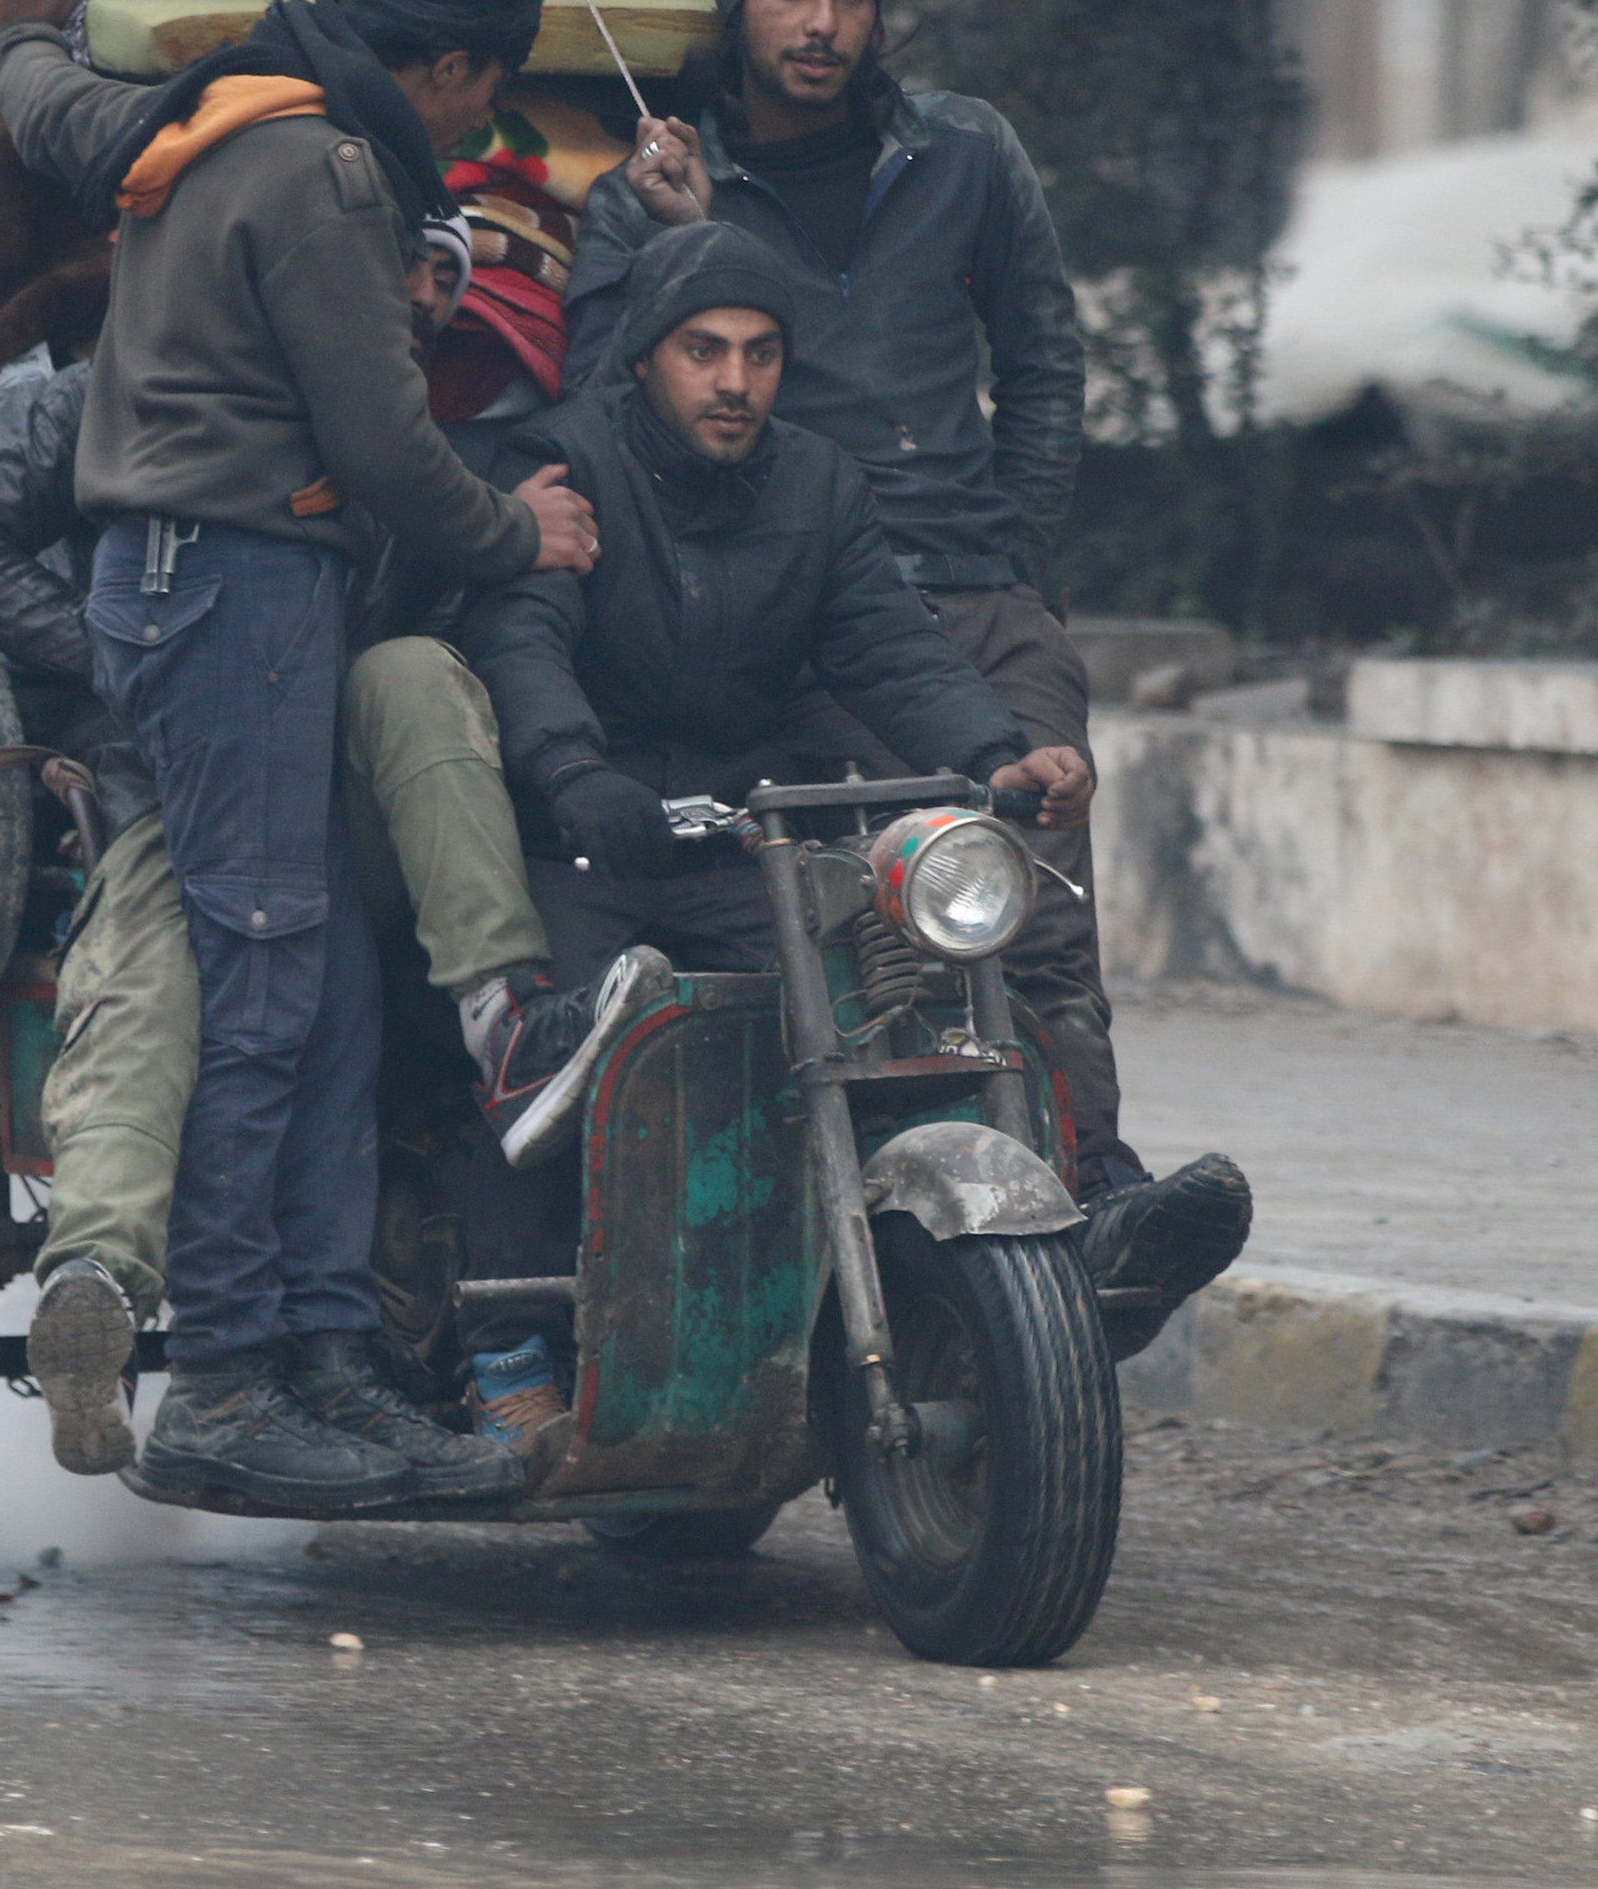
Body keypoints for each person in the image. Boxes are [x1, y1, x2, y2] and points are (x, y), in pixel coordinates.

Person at [562, 0, 1247, 1345]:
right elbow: (599, 404)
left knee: (1040, 905)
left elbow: (1047, 361)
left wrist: (1022, 563)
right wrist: (675, 237)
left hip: (979, 588)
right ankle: (898, 1226)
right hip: (801, 612)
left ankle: (1094, 1187)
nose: (821, 21)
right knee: (891, 923)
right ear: (738, 6)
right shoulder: (662, 182)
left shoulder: (965, 152)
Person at [0, 0, 601, 1510]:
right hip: (233, 580)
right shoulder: (322, 172)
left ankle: (327, 1361)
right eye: (481, 97)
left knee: (306, 977)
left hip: (225, 583)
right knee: (266, 976)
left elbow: (60, 117)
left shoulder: (215, 111)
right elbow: (389, 447)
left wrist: (17, 39)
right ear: (447, 67)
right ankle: (236, 1381)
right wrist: (514, 526)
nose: (474, 131)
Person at [451, 220, 1126, 1453]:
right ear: (649, 355)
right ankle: (506, 1346)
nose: (733, 382)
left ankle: (863, 1293)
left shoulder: (816, 483)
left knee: (872, 1019)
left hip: (738, 837)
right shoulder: (568, 460)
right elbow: (523, 636)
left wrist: (993, 753)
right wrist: (569, 773)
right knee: (535, 1041)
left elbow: (888, 641)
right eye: (703, 351)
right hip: (587, 832)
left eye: (760, 354)